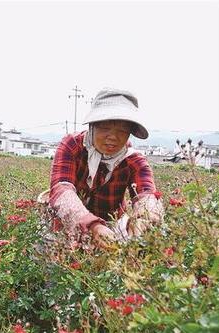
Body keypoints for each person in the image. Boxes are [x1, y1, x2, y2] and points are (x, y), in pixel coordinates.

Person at [44, 88, 164, 248]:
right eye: (105, 128)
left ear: (130, 133)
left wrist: (144, 218)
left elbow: (147, 195)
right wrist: (91, 225)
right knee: (51, 245)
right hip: (70, 219)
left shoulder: (134, 161)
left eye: (122, 130)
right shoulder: (72, 146)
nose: (113, 137)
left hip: (111, 224)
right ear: (92, 126)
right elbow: (61, 189)